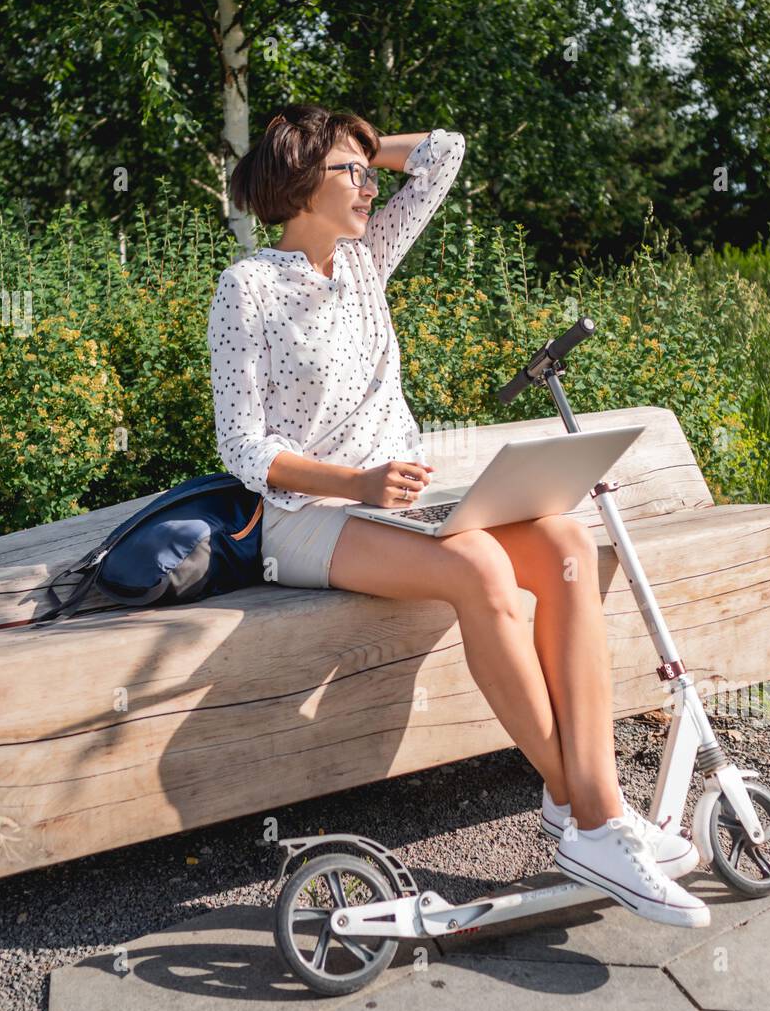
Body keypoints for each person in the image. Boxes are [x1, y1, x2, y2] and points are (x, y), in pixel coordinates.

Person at [207, 103, 708, 929]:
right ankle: (598, 820)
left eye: (370, 171)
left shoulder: (365, 261)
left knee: (563, 542)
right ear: (296, 183)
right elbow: (243, 446)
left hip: (401, 508)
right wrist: (357, 482)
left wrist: (358, 145)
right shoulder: (248, 287)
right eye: (350, 173)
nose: (370, 184)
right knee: (479, 569)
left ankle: (582, 806)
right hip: (306, 518)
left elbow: (443, 154)